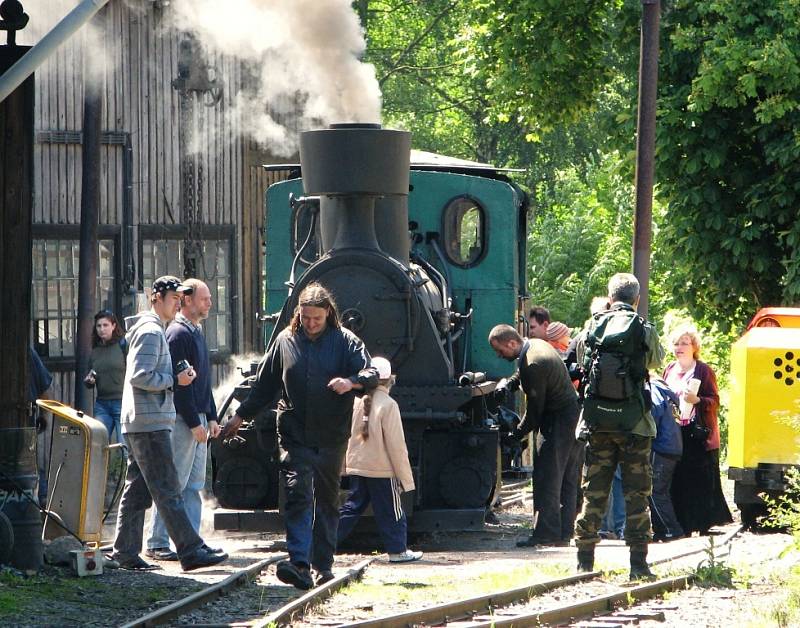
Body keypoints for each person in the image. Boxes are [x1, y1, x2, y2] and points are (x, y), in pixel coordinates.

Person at [222, 282, 378, 590]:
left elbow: (371, 374)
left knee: (328, 500)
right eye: (306, 318)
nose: (310, 324)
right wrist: (240, 416)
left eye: (316, 319)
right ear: (299, 314)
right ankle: (299, 563)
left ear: (328, 314)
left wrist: (351, 382)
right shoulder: (285, 341)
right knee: (297, 494)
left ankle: (324, 563)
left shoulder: (346, 341)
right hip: (294, 434)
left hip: (331, 436)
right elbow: (265, 386)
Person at [110, 276, 228, 572]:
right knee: (168, 489)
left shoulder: (155, 329)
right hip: (149, 422)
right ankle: (190, 551)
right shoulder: (151, 331)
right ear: (157, 298)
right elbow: (140, 375)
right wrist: (174, 380)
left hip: (142, 420)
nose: (178, 303)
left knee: (138, 491)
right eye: (174, 298)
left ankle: (125, 552)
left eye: (180, 298)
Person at [574, 273, 665, 580]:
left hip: (598, 421)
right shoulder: (643, 328)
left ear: (609, 297)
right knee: (636, 493)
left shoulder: (593, 326)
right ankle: (638, 564)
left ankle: (584, 559)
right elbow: (655, 362)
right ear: (637, 300)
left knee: (594, 490)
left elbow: (582, 363)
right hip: (635, 424)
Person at [146, 279, 221, 561]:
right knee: (174, 481)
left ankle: (190, 542)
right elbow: (180, 387)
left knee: (193, 485)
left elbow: (202, 382)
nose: (209, 303)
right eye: (204, 298)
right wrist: (194, 422)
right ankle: (157, 541)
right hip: (183, 419)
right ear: (187, 300)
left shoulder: (196, 332)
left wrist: (211, 416)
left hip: (199, 416)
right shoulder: (178, 334)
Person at [488, 324, 581, 547]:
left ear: (512, 343)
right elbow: (522, 372)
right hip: (572, 417)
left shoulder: (534, 363)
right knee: (568, 477)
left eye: (500, 350)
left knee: (547, 477)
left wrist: (515, 434)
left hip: (557, 421)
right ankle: (564, 533)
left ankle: (546, 534)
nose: (499, 355)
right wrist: (509, 385)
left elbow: (534, 411)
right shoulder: (536, 346)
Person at [337, 357, 422, 565]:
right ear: (390, 379)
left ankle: (322, 543)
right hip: (382, 470)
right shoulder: (389, 405)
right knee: (392, 511)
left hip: (358, 466)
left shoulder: (356, 402)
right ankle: (398, 551)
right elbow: (396, 445)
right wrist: (405, 477)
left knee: (351, 509)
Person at [663, 326, 732, 535]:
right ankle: (682, 523)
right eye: (676, 343)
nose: (679, 347)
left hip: (698, 432)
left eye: (684, 343)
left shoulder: (702, 370)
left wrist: (698, 400)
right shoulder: (669, 369)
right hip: (674, 430)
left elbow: (714, 400)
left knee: (699, 477)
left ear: (694, 347)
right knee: (677, 477)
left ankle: (702, 524)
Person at [649, 375, 684, 542]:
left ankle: (671, 529)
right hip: (673, 446)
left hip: (661, 446)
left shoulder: (654, 390)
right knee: (660, 490)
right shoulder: (668, 393)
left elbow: (654, 413)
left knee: (655, 490)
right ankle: (661, 530)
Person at [84, 310, 127, 441]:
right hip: (102, 404)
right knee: (98, 445)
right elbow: (90, 378)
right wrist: (89, 381)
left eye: (105, 325)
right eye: (99, 326)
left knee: (124, 447)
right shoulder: (95, 351)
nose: (102, 329)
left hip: (122, 402)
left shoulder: (123, 345)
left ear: (113, 326)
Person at [29, 347, 53, 506]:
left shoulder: (27, 351)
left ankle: (42, 496)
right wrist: (44, 415)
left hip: (25, 412)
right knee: (30, 458)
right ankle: (42, 497)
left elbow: (43, 386)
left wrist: (44, 415)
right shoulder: (27, 350)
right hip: (26, 411)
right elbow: (44, 388)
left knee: (30, 458)